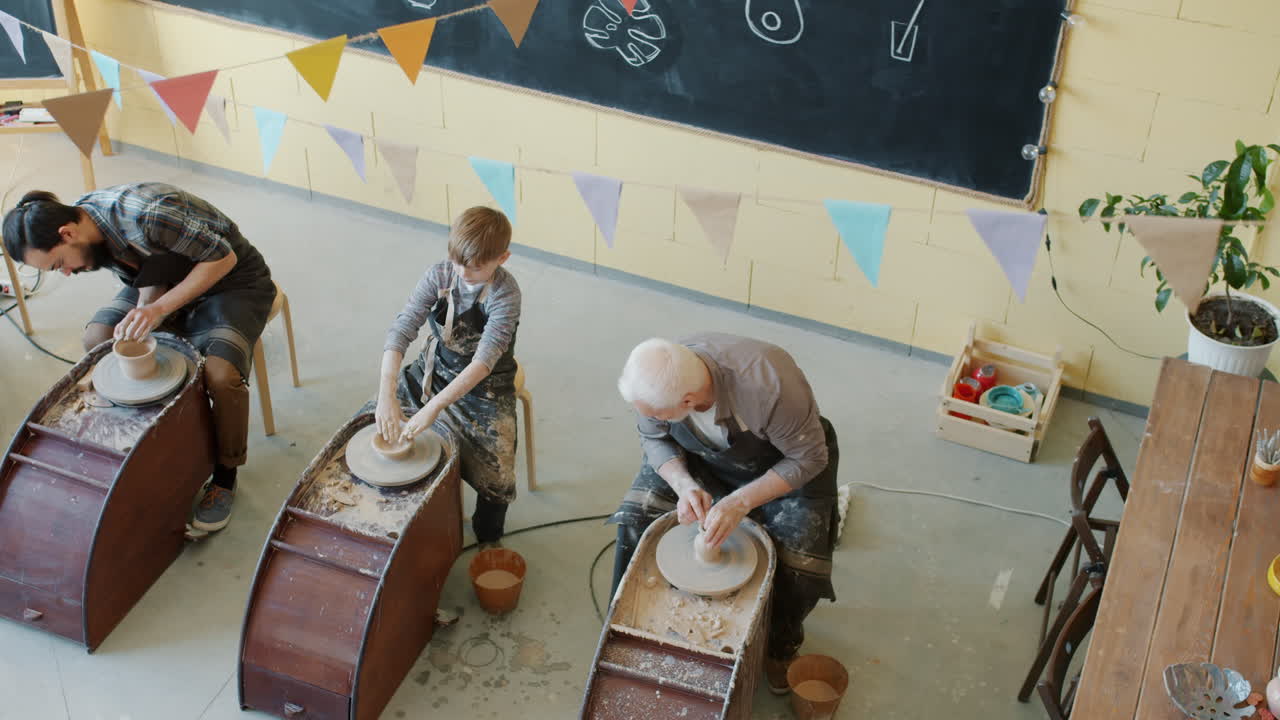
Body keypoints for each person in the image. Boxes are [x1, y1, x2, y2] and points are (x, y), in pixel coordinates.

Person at [1, 183, 275, 533]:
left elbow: (224, 258)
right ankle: (165, 438)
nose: (66, 273)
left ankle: (225, 476)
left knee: (221, 375)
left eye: (58, 265)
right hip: (168, 277)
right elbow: (152, 268)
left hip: (232, 279)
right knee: (98, 338)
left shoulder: (146, 214)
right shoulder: (89, 226)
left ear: (67, 233)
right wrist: (147, 307)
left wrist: (159, 309)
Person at [611, 334, 839, 694]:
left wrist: (739, 502)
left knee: (800, 565)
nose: (648, 418)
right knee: (635, 518)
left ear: (687, 401)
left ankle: (780, 647)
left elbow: (810, 458)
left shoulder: (771, 386)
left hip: (785, 460)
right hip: (702, 457)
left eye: (656, 413)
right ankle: (624, 625)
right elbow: (654, 438)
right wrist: (684, 484)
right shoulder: (660, 374)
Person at [375, 206, 522, 544]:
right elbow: (402, 329)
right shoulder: (439, 275)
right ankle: (404, 515)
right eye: (458, 262)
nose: (464, 272)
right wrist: (386, 395)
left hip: (486, 385)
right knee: (372, 420)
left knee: (498, 477)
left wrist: (433, 408)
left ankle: (488, 538)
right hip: (435, 368)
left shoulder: (505, 294)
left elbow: (483, 363)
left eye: (476, 266)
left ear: (503, 258)